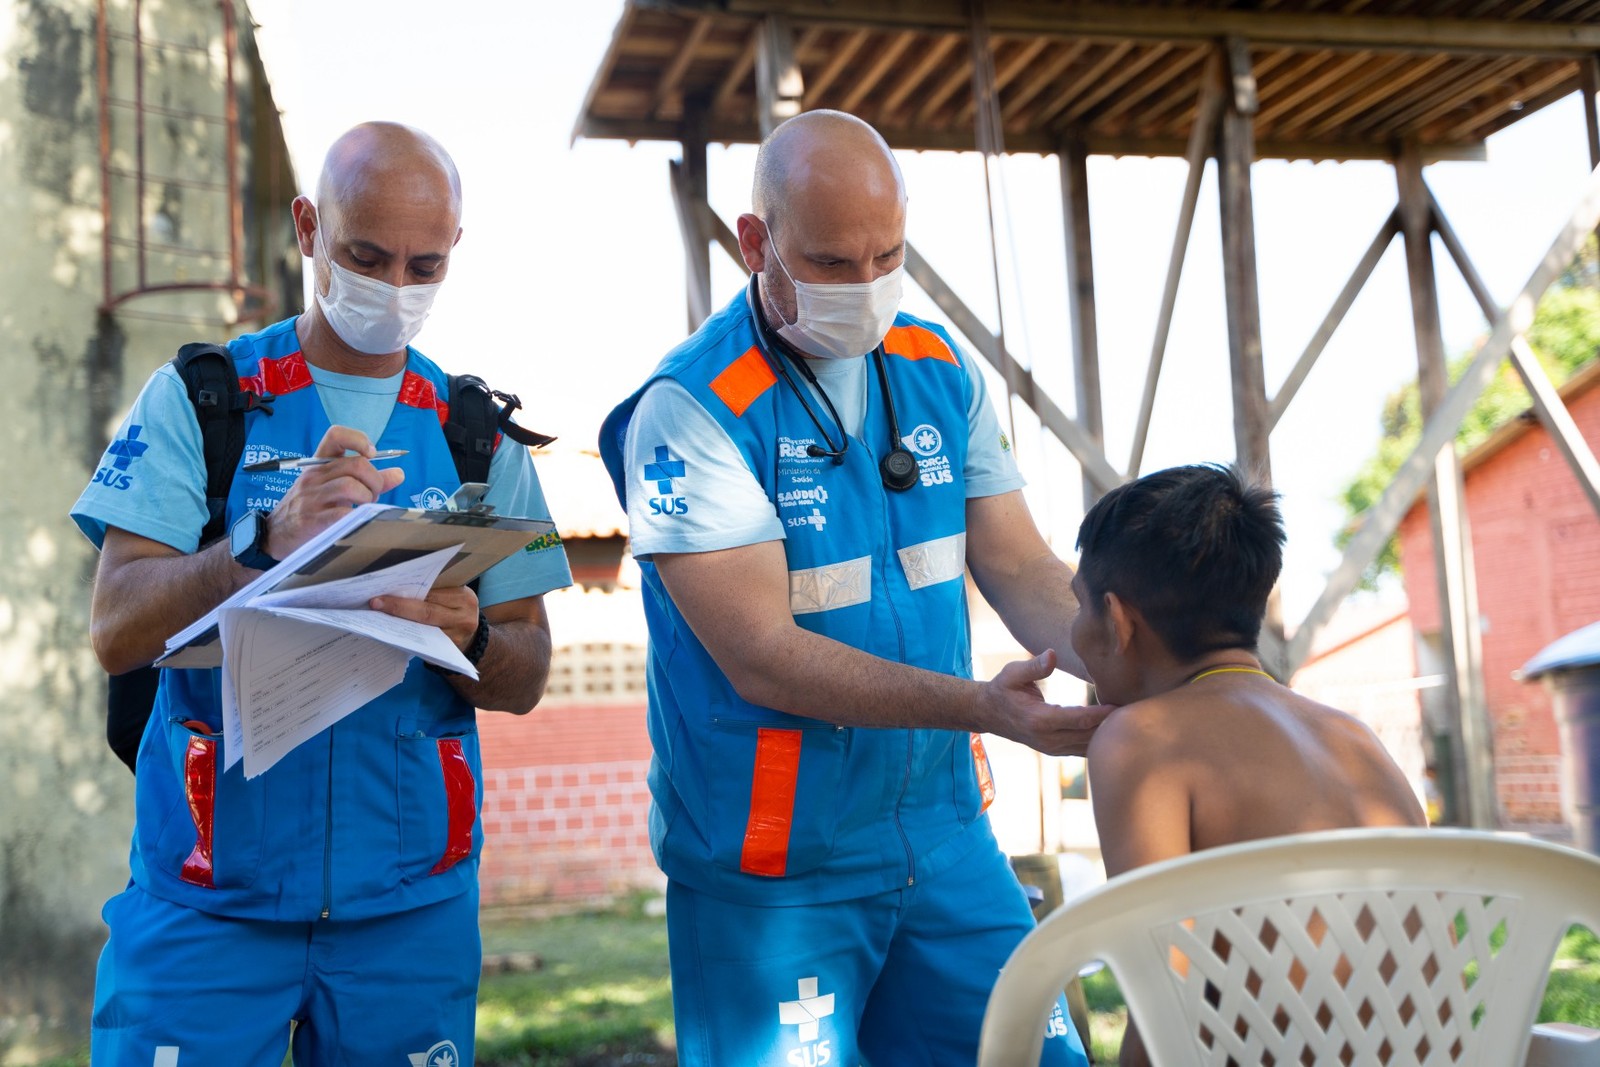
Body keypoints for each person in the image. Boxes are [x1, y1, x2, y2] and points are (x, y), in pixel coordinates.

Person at [598, 109, 1107, 1067]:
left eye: (889, 255)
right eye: (832, 262)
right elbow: (763, 656)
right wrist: (986, 709)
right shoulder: (691, 410)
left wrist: (1154, 666)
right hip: (776, 873)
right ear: (757, 243)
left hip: (946, 840)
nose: (868, 288)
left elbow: (1024, 568)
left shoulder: (937, 366)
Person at [73, 122, 570, 1066]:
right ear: (308, 227)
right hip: (209, 903)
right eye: (365, 255)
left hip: (408, 909)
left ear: (454, 252)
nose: (393, 287)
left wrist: (471, 637)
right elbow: (115, 627)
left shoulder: (481, 438)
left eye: (424, 265)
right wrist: (258, 544)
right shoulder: (202, 399)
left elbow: (530, 666)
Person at [1071, 463, 1427, 1066]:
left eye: (1078, 607)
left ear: (1119, 620)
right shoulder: (1355, 739)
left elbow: (1165, 996)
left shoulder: (1141, 739)